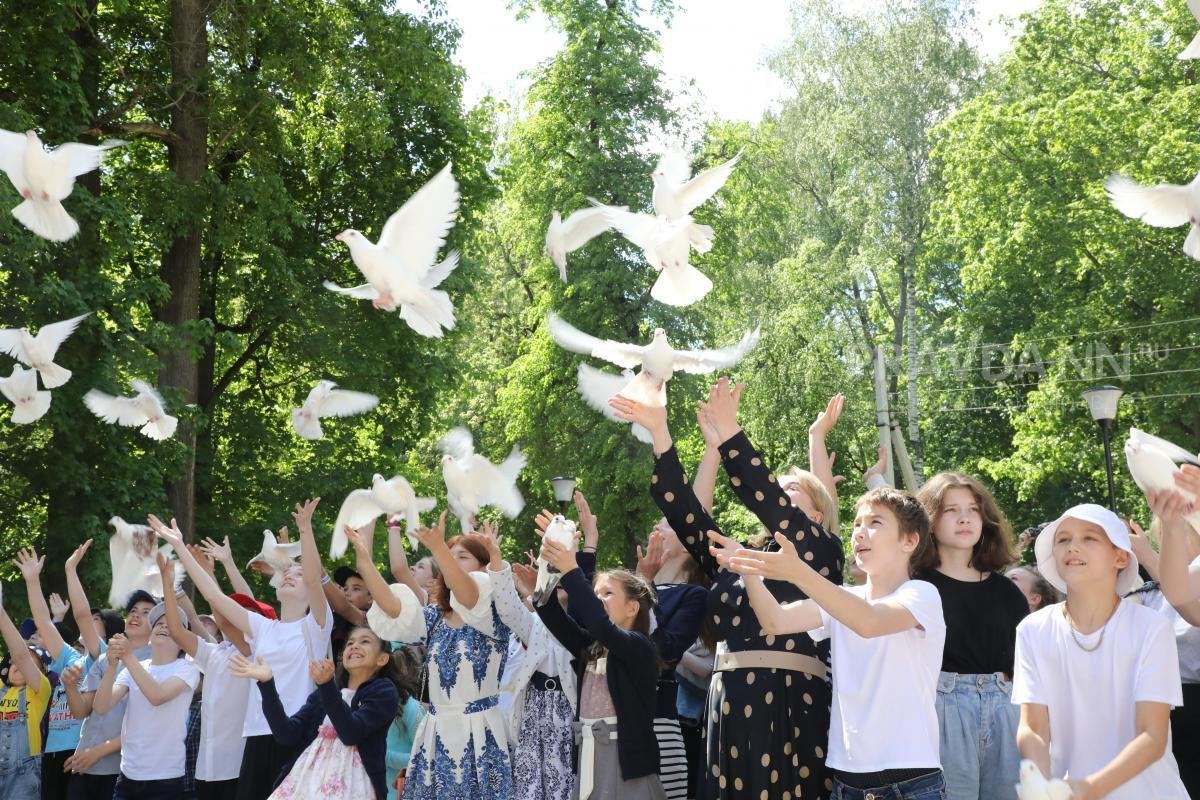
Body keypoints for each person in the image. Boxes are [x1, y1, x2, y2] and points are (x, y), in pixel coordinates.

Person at [611, 379, 844, 800]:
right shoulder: (741, 554)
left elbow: (767, 498)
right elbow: (686, 516)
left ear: (817, 513)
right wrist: (661, 435)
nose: (782, 498)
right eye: (784, 490)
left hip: (789, 701)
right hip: (727, 702)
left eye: (794, 493)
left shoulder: (824, 552)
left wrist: (732, 435)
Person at [725, 486, 947, 800]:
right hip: (847, 784)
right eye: (856, 524)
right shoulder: (845, 599)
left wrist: (799, 572)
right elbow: (776, 622)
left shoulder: (922, 595)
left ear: (910, 541)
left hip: (911, 783)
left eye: (875, 523)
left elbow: (869, 622)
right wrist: (747, 570)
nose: (860, 532)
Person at [148, 502, 333, 800]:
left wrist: (304, 529)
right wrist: (179, 544)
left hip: (296, 733)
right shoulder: (263, 628)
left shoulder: (316, 626)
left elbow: (314, 578)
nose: (290, 575)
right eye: (288, 573)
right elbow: (214, 596)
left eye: (297, 574)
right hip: (257, 735)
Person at [1013, 500, 1189, 799]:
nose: (1073, 547)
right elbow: (1034, 728)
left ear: (1120, 558)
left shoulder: (1151, 628)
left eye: (1089, 538)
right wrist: (1040, 785)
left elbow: (1152, 736)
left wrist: (1092, 788)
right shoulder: (1032, 629)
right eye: (1063, 539)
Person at [353, 513, 515, 799]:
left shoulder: (492, 612)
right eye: (448, 559)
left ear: (482, 567)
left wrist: (439, 547)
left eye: (462, 557)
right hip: (436, 734)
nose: (450, 563)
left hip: (480, 733)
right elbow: (393, 608)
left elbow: (470, 595)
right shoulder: (434, 618)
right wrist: (364, 561)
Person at [913, 473, 1028, 800]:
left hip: (1005, 712)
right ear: (929, 521)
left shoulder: (1009, 593)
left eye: (973, 509)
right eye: (951, 510)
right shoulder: (915, 588)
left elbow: (1026, 667)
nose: (964, 518)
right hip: (941, 708)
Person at [536, 534, 667, 800]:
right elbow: (550, 613)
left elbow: (600, 625)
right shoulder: (591, 646)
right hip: (590, 754)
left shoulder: (640, 647)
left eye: (607, 593)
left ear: (632, 608)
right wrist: (546, 570)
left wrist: (572, 568)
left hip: (624, 761)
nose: (597, 601)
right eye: (595, 595)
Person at [231, 625, 401, 800]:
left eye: (365, 641)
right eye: (350, 643)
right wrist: (267, 683)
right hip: (305, 782)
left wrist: (327, 685)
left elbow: (351, 733)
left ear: (382, 659)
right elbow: (286, 734)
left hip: (353, 786)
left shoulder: (384, 691)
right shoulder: (325, 693)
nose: (354, 646)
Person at [482, 518, 577, 800]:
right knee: (528, 789)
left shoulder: (585, 623)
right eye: (553, 577)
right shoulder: (534, 622)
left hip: (566, 713)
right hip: (531, 710)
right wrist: (496, 560)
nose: (558, 583)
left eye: (564, 578)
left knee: (565, 788)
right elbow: (509, 609)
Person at [156, 554, 257, 800]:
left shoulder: (255, 653)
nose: (235, 616)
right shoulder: (214, 653)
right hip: (205, 769)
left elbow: (222, 615)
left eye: (244, 612)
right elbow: (178, 631)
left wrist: (210, 576)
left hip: (239, 768)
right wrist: (167, 587)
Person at [66, 536, 155, 800]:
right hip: (84, 765)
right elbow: (82, 710)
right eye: (133, 610)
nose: (136, 615)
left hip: (121, 772)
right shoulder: (107, 658)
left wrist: (99, 752)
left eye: (147, 612)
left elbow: (144, 727)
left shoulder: (159, 661)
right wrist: (70, 686)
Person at [92, 599, 201, 800]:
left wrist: (128, 657)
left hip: (166, 778)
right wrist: (111, 666)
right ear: (150, 636)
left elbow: (157, 696)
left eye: (173, 626)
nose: (163, 627)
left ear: (183, 640)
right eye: (159, 623)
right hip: (127, 776)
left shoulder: (187, 668)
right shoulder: (134, 666)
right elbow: (101, 707)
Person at [12, 546, 87, 800]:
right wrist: (32, 581)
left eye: (95, 622)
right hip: (51, 752)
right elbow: (43, 622)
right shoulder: (69, 657)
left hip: (81, 752)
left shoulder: (103, 662)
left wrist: (70, 570)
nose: (87, 626)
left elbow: (82, 614)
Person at [0, 584, 53, 800]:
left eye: (31, 664)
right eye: (15, 662)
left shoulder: (39, 691)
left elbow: (20, 654)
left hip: (23, 775)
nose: (19, 664)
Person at [384, 646, 425, 797]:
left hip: (399, 790)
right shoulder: (380, 702)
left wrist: (383, 755)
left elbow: (422, 757)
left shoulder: (411, 707)